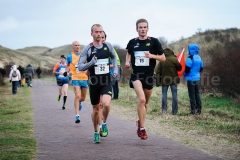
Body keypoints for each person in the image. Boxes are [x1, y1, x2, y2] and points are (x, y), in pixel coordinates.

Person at [125, 18, 166, 140]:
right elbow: (129, 53)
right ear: (136, 29)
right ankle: (142, 128)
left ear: (148, 29)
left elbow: (163, 58)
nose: (142, 29)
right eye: (140, 27)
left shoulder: (154, 42)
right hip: (136, 75)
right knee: (142, 100)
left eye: (144, 27)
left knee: (146, 103)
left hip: (149, 75)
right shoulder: (132, 42)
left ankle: (140, 122)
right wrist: (127, 62)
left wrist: (151, 56)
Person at [78, 24, 118, 143]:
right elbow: (80, 66)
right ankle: (96, 132)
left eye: (101, 32)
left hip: (106, 81)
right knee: (96, 110)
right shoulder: (87, 49)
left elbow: (114, 58)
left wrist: (115, 70)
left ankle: (104, 123)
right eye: (96, 32)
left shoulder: (108, 46)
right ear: (92, 34)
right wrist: (91, 63)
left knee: (105, 104)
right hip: (94, 83)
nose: (99, 34)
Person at [66, 41, 89, 123]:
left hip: (84, 78)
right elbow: (67, 66)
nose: (77, 46)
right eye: (75, 45)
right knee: (77, 96)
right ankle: (77, 116)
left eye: (78, 45)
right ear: (72, 47)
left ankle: (79, 103)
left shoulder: (84, 55)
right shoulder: (69, 56)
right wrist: (68, 72)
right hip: (75, 78)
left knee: (83, 98)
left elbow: (88, 64)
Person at [155, 48, 182, 115]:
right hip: (173, 80)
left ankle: (164, 111)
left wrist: (158, 82)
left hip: (164, 80)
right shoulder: (174, 59)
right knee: (174, 95)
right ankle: (174, 112)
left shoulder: (162, 60)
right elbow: (179, 68)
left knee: (164, 95)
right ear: (171, 52)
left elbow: (158, 72)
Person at [184, 44, 204, 115]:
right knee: (197, 94)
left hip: (191, 79)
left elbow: (187, 69)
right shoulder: (199, 57)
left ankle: (193, 110)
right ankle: (199, 109)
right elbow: (201, 68)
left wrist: (185, 74)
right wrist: (196, 72)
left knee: (192, 94)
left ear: (191, 50)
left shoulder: (190, 58)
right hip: (197, 78)